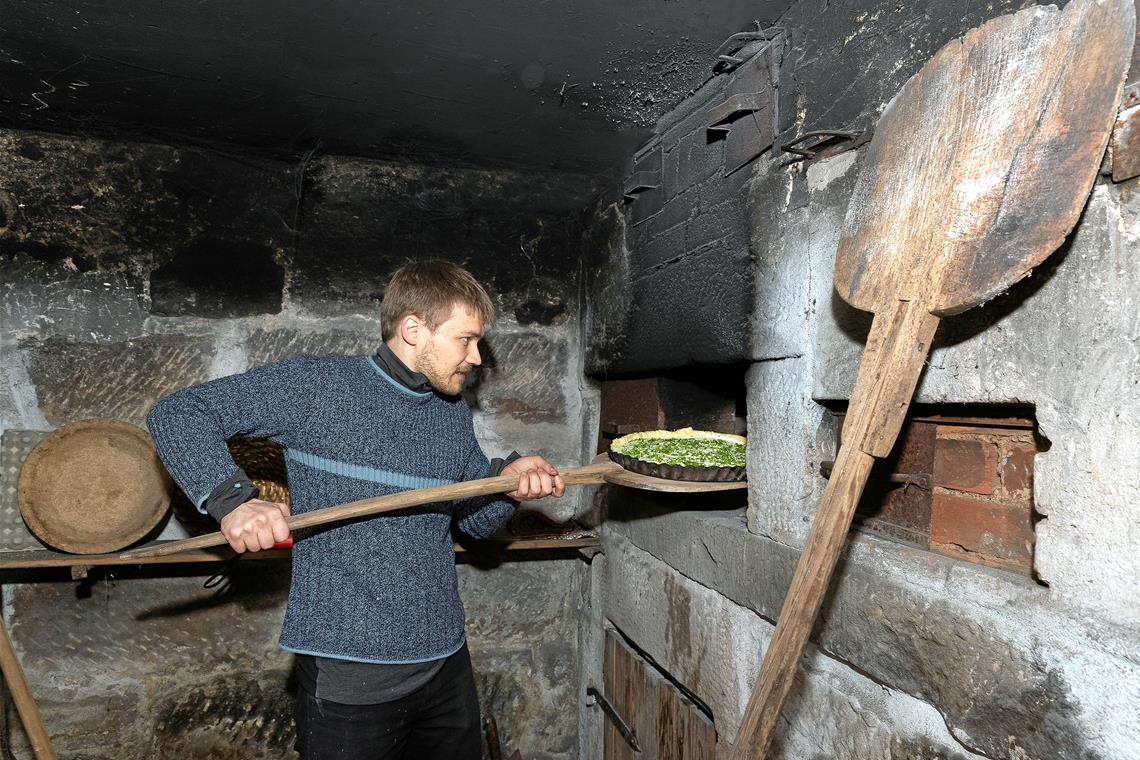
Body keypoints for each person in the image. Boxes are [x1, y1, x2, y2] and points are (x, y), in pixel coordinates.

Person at [146, 260, 566, 760]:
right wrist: (233, 502)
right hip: (351, 679)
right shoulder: (318, 387)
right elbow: (178, 413)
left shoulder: (450, 414)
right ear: (413, 329)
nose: (476, 357)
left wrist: (506, 489)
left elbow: (472, 522)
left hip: (445, 663)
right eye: (466, 339)